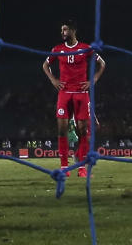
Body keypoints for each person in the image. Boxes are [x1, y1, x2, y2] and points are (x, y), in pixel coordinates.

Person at [42, 20, 106, 178]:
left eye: (65, 30)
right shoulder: (58, 49)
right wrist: (53, 80)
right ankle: (64, 166)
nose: (62, 33)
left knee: (83, 131)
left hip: (81, 93)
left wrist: (94, 80)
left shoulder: (85, 48)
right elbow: (45, 65)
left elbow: (102, 63)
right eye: (62, 30)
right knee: (62, 129)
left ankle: (82, 167)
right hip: (64, 93)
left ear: (73, 30)